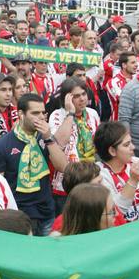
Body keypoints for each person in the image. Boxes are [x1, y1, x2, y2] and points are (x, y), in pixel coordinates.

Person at [0, 94, 68, 236]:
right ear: (21, 114)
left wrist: (49, 138)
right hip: (20, 216)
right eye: (35, 113)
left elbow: (63, 167)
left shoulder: (45, 138)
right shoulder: (3, 145)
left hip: (47, 211)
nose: (41, 117)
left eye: (43, 112)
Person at [48, 78, 100, 213]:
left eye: (83, 94)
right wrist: (70, 113)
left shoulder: (92, 114)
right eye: (76, 96)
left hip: (91, 179)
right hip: (66, 184)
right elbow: (58, 144)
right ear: (67, 98)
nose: (82, 99)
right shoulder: (57, 115)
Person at [107, 52, 137, 120]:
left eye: (136, 62)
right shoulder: (113, 82)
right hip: (118, 123)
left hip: (136, 122)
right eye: (133, 63)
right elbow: (124, 101)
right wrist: (131, 85)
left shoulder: (138, 78)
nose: (136, 65)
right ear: (124, 65)